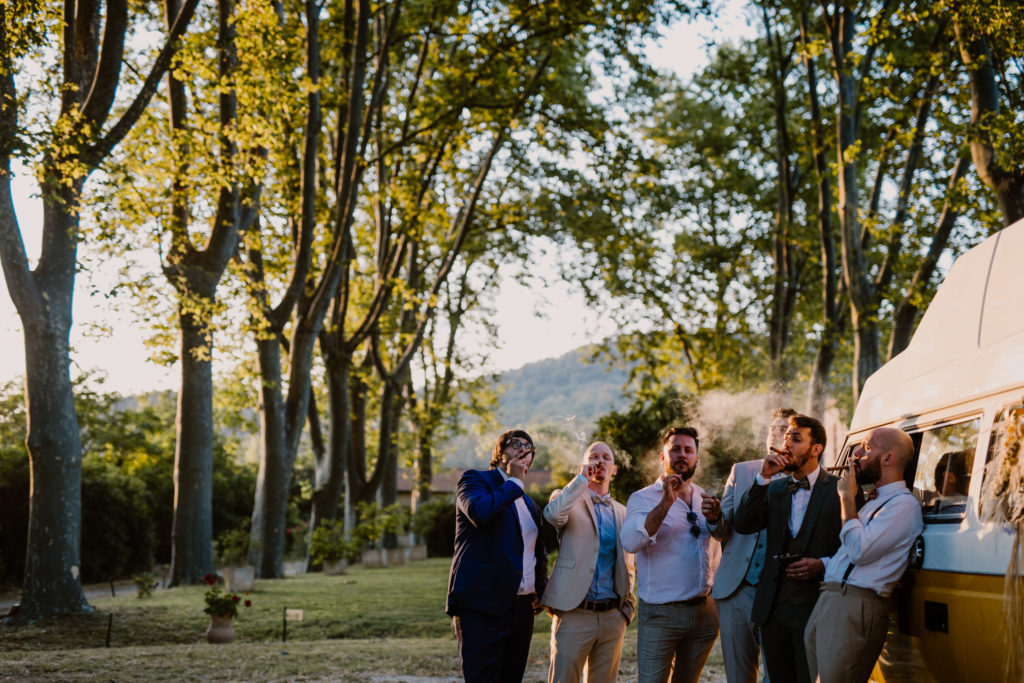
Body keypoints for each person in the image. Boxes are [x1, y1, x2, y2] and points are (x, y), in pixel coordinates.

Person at [804, 427, 924, 683]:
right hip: (832, 598)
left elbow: (860, 550)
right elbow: (851, 552)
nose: (856, 454)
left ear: (888, 459)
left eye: (867, 448)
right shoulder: (874, 502)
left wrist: (846, 498)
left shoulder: (904, 505)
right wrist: (824, 564)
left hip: (855, 604)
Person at [733, 414, 842, 683]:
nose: (786, 444)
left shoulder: (840, 489)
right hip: (773, 609)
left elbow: (855, 545)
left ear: (816, 449)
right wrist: (763, 477)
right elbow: (744, 524)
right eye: (785, 438)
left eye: (796, 438)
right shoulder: (775, 488)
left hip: (816, 606)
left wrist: (823, 563)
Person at [446, 429, 548, 682]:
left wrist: (541, 588)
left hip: (521, 610)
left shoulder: (530, 504)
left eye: (529, 447)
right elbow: (479, 512)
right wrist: (513, 482)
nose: (524, 449)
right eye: (516, 445)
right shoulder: (474, 481)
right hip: (483, 606)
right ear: (500, 453)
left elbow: (536, 550)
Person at [703, 407, 796, 683]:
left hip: (780, 592)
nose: (779, 434)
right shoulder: (742, 471)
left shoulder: (805, 478)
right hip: (737, 588)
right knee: (738, 674)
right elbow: (724, 531)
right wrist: (714, 517)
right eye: (775, 429)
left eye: (786, 430)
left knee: (778, 672)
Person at [622, 425, 721, 683]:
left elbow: (716, 555)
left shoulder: (704, 498)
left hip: (705, 615)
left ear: (697, 459)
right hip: (660, 614)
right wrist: (666, 502)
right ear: (663, 457)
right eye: (675, 449)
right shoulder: (642, 498)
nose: (682, 454)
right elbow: (631, 542)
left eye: (688, 450)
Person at [541, 441, 637, 683]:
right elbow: (552, 515)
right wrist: (580, 480)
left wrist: (626, 610)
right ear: (584, 465)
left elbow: (629, 564)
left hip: (612, 616)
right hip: (574, 612)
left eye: (607, 457)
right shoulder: (567, 498)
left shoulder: (623, 512)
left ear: (614, 470)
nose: (600, 461)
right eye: (594, 456)